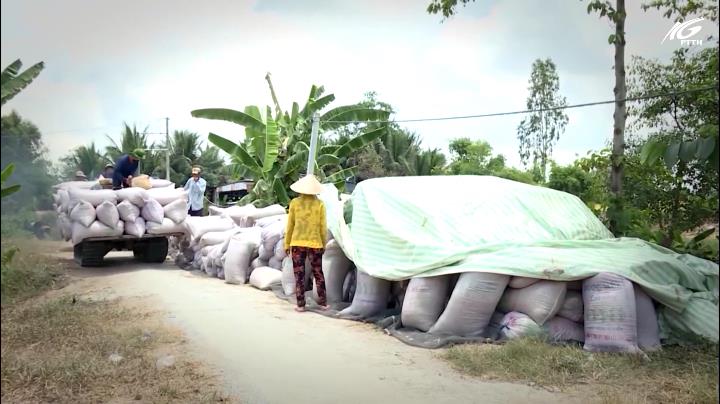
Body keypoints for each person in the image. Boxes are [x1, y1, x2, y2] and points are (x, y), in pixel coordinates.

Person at [284, 174, 328, 312]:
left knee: (299, 274)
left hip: (297, 243)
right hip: (315, 243)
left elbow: (290, 225)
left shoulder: (294, 203)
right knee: (318, 273)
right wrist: (323, 244)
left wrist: (287, 244)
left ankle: (301, 305)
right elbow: (323, 227)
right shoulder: (320, 204)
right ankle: (323, 303)